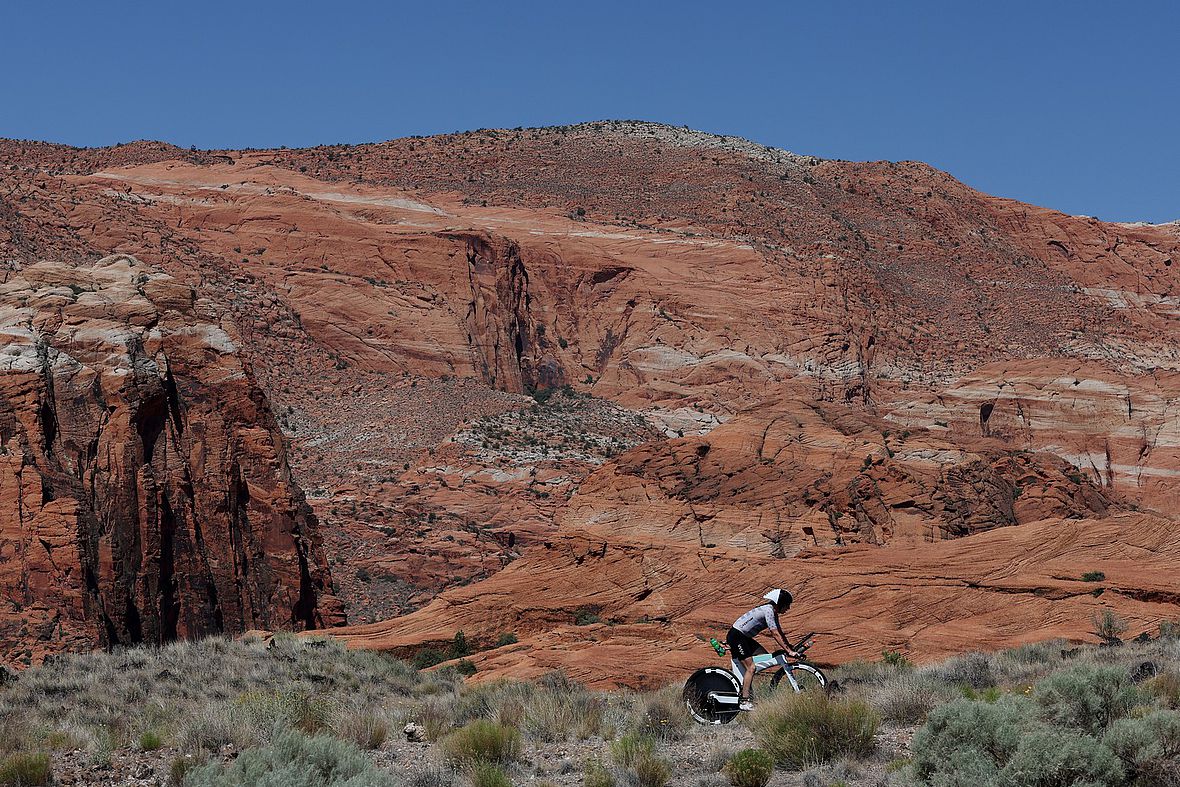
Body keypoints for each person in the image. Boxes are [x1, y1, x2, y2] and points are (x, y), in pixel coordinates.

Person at [727, 588, 797, 710]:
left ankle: (746, 687)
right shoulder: (768, 610)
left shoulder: (772, 611)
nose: (788, 608)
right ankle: (744, 701)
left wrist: (788, 647)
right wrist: (789, 651)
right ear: (779, 604)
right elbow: (775, 634)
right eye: (787, 605)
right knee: (752, 667)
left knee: (765, 657)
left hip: (744, 637)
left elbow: (780, 632)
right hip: (737, 636)